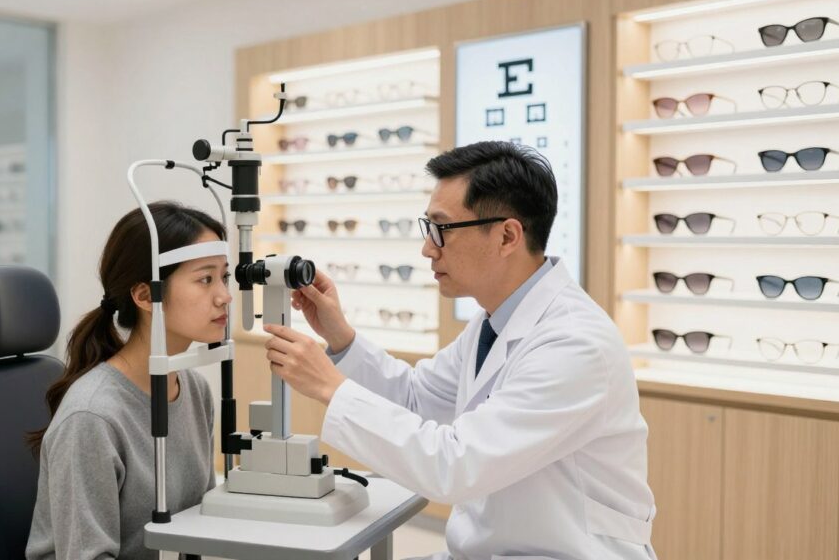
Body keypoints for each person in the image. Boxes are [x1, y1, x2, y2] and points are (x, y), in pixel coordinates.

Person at [263, 141, 657, 560]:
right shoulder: (493, 322)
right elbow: (416, 398)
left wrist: (331, 387)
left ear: (507, 236)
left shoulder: (575, 344)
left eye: (442, 229)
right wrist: (341, 337)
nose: (427, 249)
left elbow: (453, 465)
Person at [26, 202, 231, 560]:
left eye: (224, 277)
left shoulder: (194, 390)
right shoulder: (92, 417)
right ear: (145, 296)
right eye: (205, 279)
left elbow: (198, 527)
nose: (224, 296)